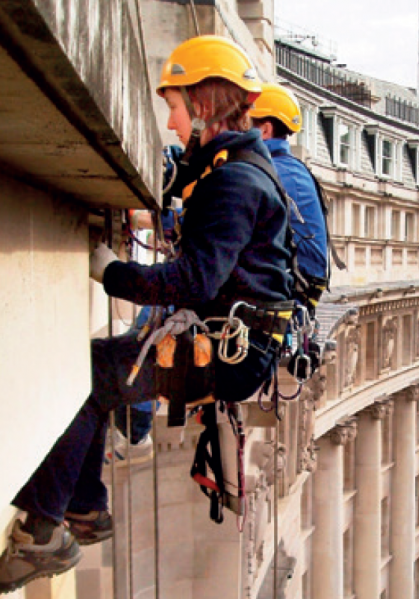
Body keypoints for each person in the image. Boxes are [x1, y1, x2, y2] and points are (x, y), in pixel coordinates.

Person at [0, 35, 294, 593]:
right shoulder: (227, 169)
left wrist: (112, 273)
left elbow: (195, 278)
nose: (173, 123)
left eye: (176, 108)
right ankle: (85, 509)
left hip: (228, 352)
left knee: (90, 376)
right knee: (102, 375)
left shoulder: (234, 180)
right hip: (232, 342)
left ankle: (46, 530)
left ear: (204, 104)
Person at [248, 83, 329, 312]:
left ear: (264, 130)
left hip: (291, 290)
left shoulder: (271, 172)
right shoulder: (289, 168)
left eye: (245, 124)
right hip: (299, 287)